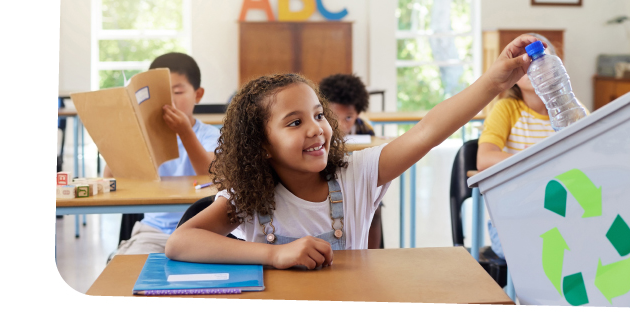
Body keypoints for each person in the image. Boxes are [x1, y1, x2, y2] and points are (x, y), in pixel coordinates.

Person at [165, 34, 539, 268]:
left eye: (317, 115)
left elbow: (427, 131)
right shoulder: (250, 194)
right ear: (261, 145)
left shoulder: (357, 173)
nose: (316, 129)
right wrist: (274, 254)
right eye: (294, 123)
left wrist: (493, 82)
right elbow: (180, 242)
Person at [109, 53, 221, 256]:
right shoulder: (144, 137)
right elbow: (110, 178)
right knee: (126, 273)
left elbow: (211, 173)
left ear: (198, 94)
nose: (169, 100)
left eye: (177, 91)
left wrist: (185, 132)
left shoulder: (210, 135)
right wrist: (122, 134)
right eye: (159, 93)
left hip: (201, 231)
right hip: (154, 231)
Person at [475, 34, 561, 260]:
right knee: (546, 251)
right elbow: (484, 158)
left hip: (560, 215)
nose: (536, 67)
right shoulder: (506, 109)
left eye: (543, 60)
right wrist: (535, 162)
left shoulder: (569, 110)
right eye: (529, 61)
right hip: (513, 219)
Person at [318, 72, 383, 248]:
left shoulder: (364, 130)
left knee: (375, 210)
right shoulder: (317, 131)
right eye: (333, 116)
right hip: (325, 184)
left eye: (348, 117)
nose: (340, 125)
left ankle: (372, 256)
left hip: (357, 183)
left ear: (358, 113)